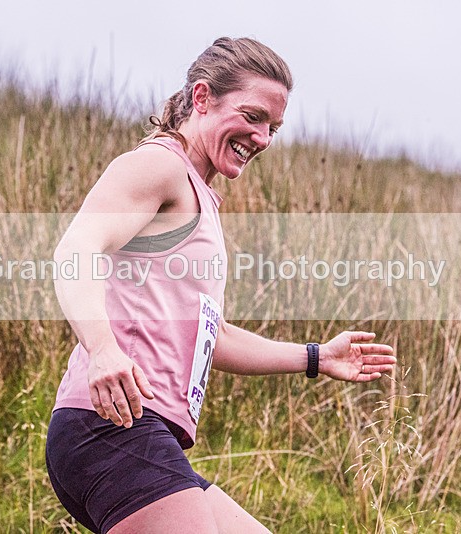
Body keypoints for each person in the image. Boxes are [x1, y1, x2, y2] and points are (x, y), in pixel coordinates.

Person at [46, 36, 397, 534]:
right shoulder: (160, 166)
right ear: (203, 97)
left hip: (138, 433)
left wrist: (317, 357)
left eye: (273, 127)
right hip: (109, 426)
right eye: (253, 117)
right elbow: (76, 250)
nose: (263, 138)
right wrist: (102, 350)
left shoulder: (199, 195)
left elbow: (215, 336)